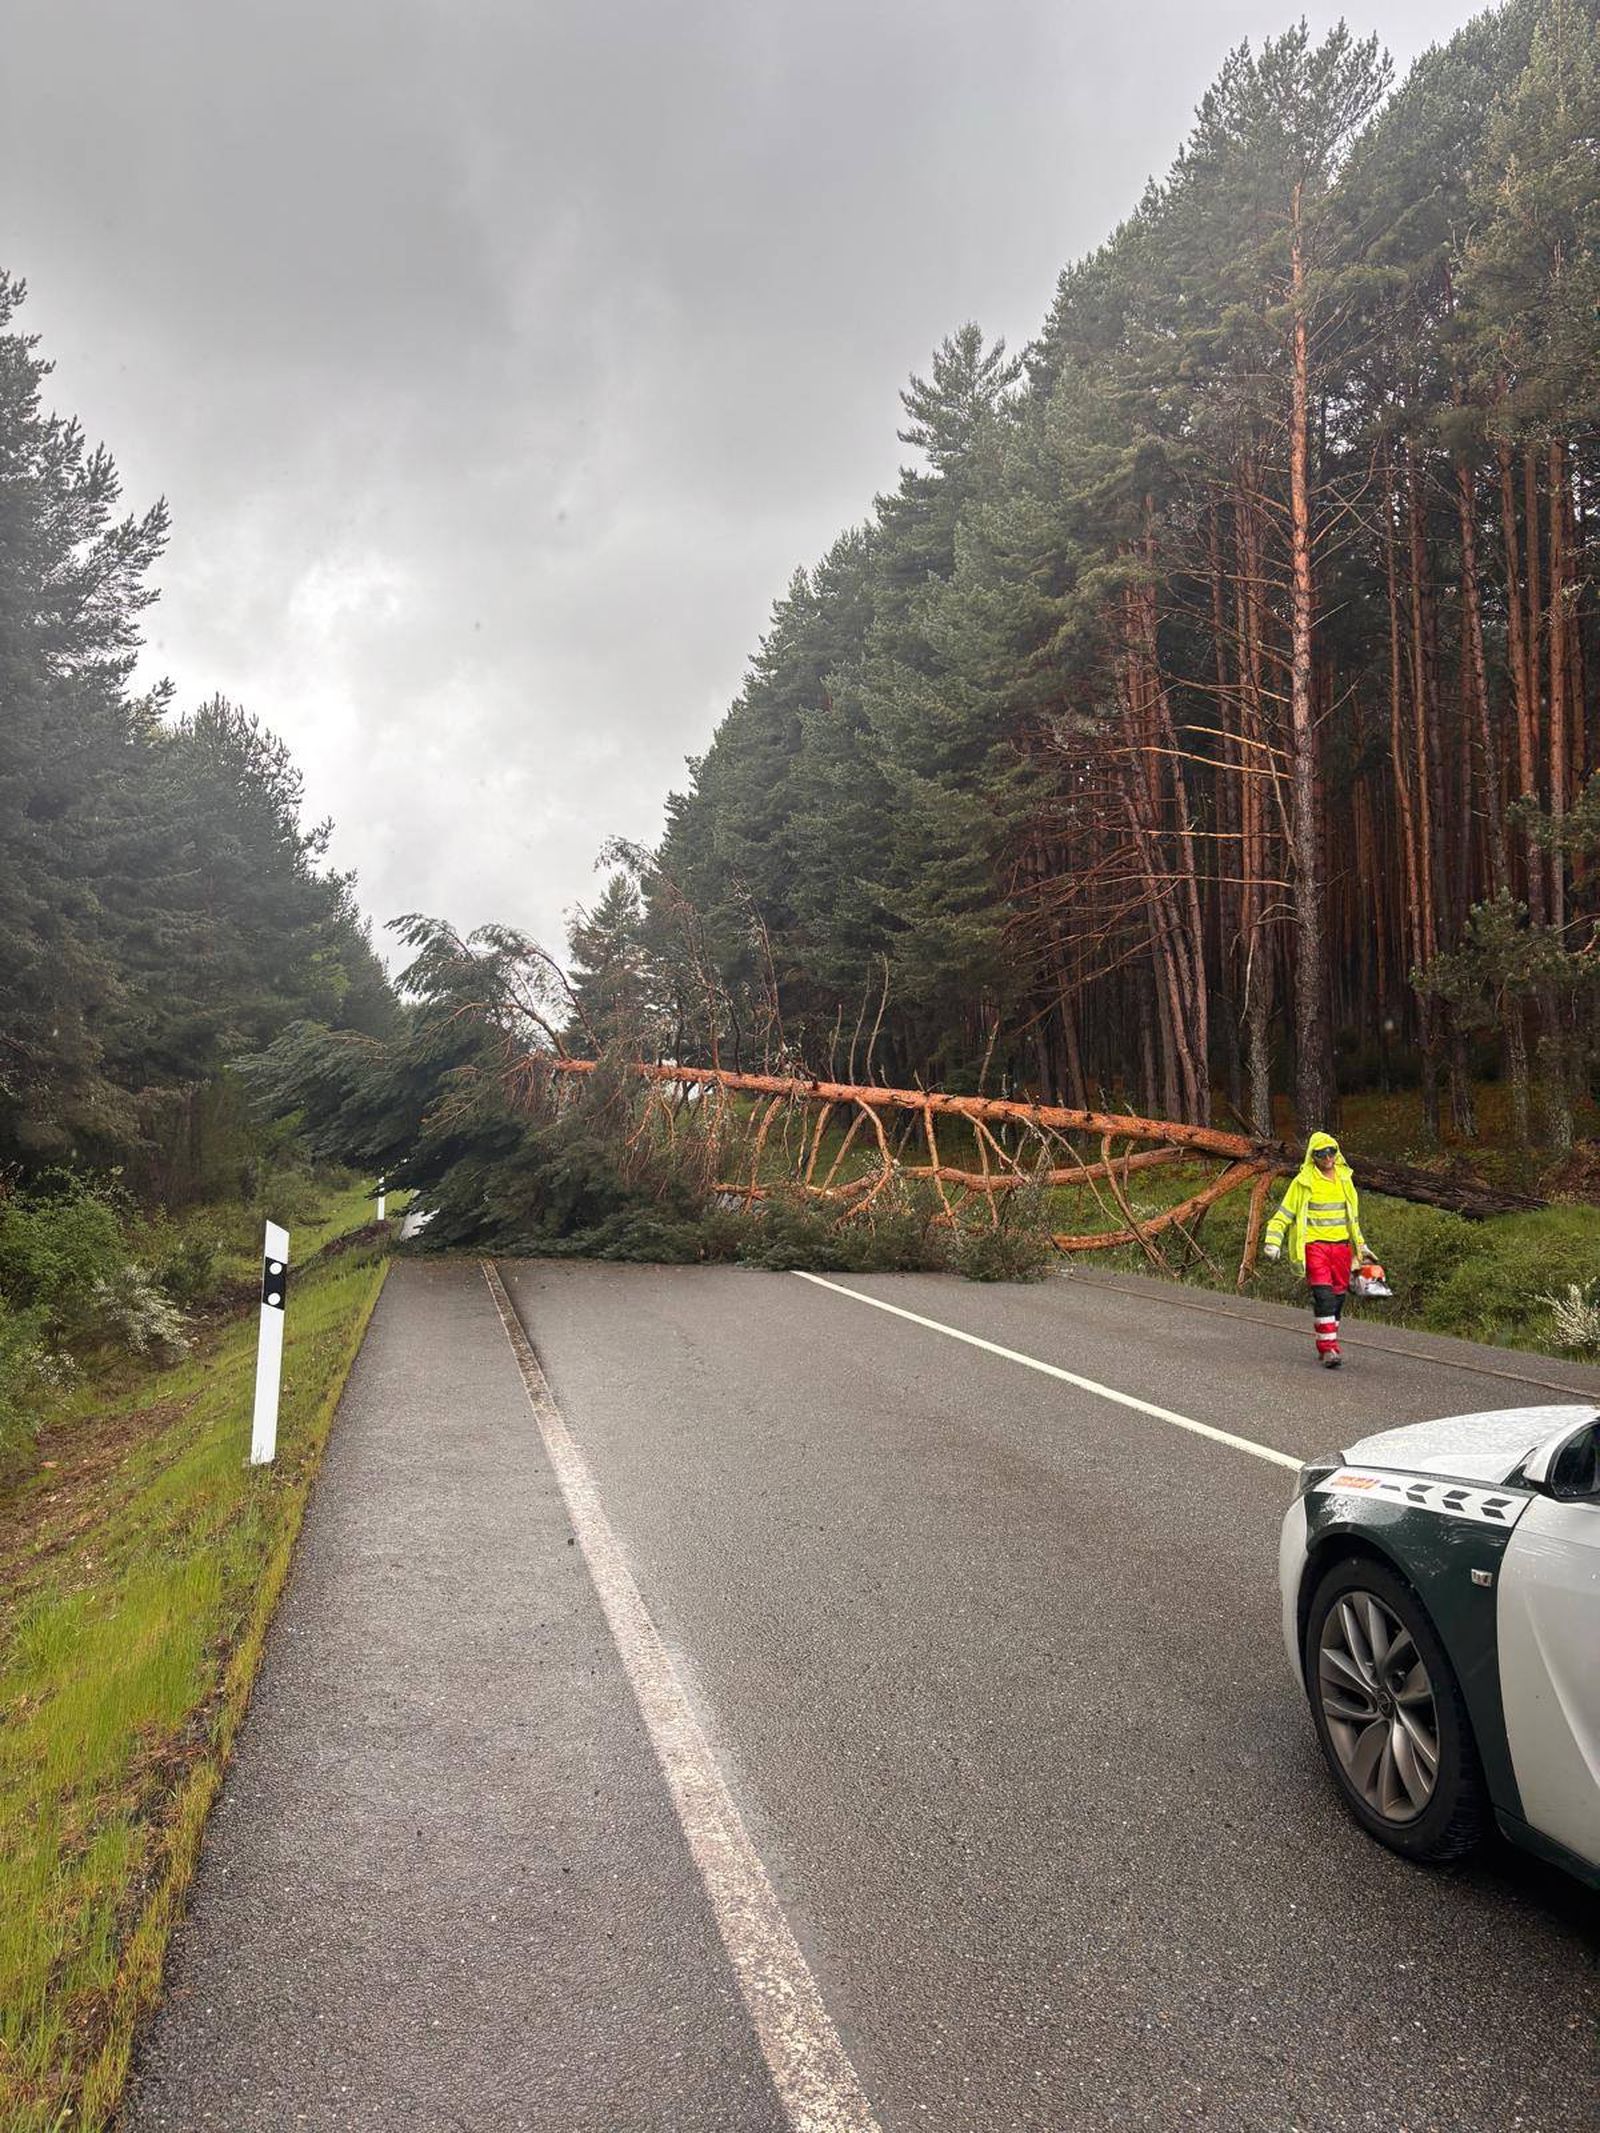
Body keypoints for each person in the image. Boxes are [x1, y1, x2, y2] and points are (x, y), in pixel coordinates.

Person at [1262, 1131, 1372, 1369]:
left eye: (1331, 1151)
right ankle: (1329, 1349)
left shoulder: (1345, 1179)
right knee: (1324, 1297)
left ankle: (1328, 1338)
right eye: (1322, 1153)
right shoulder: (1303, 1183)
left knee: (1339, 1300)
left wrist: (1361, 1247)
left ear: (1337, 1152)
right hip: (1315, 1247)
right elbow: (1284, 1215)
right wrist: (1273, 1240)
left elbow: (1351, 1219)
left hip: (1342, 1248)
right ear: (1313, 1156)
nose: (1328, 1157)